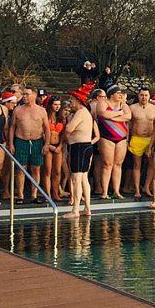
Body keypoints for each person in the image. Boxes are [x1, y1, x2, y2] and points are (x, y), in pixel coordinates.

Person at [8, 87, 50, 204]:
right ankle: (20, 195)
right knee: (21, 168)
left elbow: (46, 128)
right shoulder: (18, 110)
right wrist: (11, 143)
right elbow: (12, 127)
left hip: (37, 141)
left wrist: (46, 143)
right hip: (21, 140)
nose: (24, 96)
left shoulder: (42, 111)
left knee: (36, 168)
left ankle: (34, 194)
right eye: (23, 94)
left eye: (27, 94)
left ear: (34, 95)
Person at [63, 82, 96, 218]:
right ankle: (87, 208)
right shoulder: (84, 112)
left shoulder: (81, 112)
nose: (70, 102)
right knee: (83, 179)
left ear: (78, 100)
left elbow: (69, 129)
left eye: (71, 99)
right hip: (85, 146)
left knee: (76, 178)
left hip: (80, 147)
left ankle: (75, 210)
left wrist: (66, 133)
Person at [96, 84, 132, 200]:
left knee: (118, 164)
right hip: (106, 137)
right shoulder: (103, 102)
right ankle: (105, 192)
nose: (121, 95)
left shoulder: (123, 104)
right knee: (107, 164)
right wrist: (120, 113)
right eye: (118, 93)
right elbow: (103, 114)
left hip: (121, 138)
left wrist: (113, 118)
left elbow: (129, 116)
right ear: (112, 94)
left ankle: (116, 191)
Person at [128, 87, 155, 199]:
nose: (144, 97)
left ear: (149, 96)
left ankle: (146, 186)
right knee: (137, 165)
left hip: (150, 139)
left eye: (146, 95)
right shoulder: (132, 108)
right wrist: (127, 139)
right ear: (138, 96)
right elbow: (128, 125)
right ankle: (137, 189)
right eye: (142, 95)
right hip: (137, 138)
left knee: (152, 164)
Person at [43, 96, 65, 202]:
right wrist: (48, 145)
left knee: (57, 171)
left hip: (58, 146)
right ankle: (47, 194)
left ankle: (55, 193)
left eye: (59, 104)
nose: (57, 107)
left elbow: (63, 134)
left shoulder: (61, 117)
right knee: (47, 170)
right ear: (50, 105)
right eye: (55, 104)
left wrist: (60, 146)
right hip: (48, 144)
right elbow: (42, 132)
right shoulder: (46, 116)